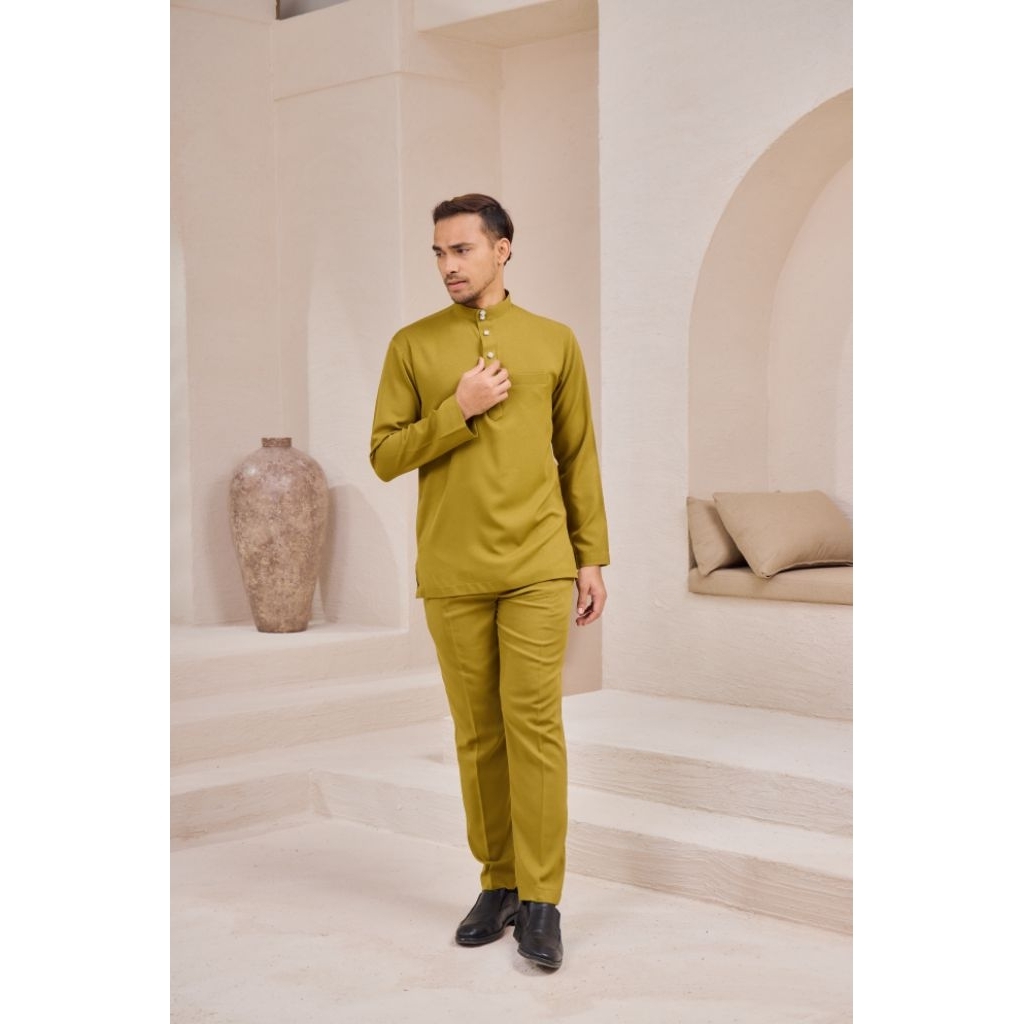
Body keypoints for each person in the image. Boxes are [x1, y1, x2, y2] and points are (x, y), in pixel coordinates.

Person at [369, 193, 609, 971]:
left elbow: (577, 454)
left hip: (538, 562)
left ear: (502, 249)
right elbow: (384, 454)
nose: (448, 265)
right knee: (478, 735)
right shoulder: (412, 345)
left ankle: (542, 899)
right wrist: (458, 409)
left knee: (533, 726)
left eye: (462, 249)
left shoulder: (553, 341)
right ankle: (498, 882)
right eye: (439, 253)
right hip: (453, 569)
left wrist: (590, 556)